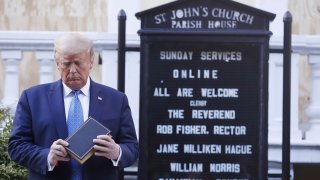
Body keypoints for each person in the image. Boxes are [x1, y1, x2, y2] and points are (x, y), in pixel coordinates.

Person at [8, 33, 139, 180]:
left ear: (91, 61)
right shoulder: (33, 98)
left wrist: (117, 152)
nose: (72, 70)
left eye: (78, 63)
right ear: (57, 63)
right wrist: (47, 156)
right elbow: (16, 146)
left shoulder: (116, 100)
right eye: (66, 63)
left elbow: (132, 148)